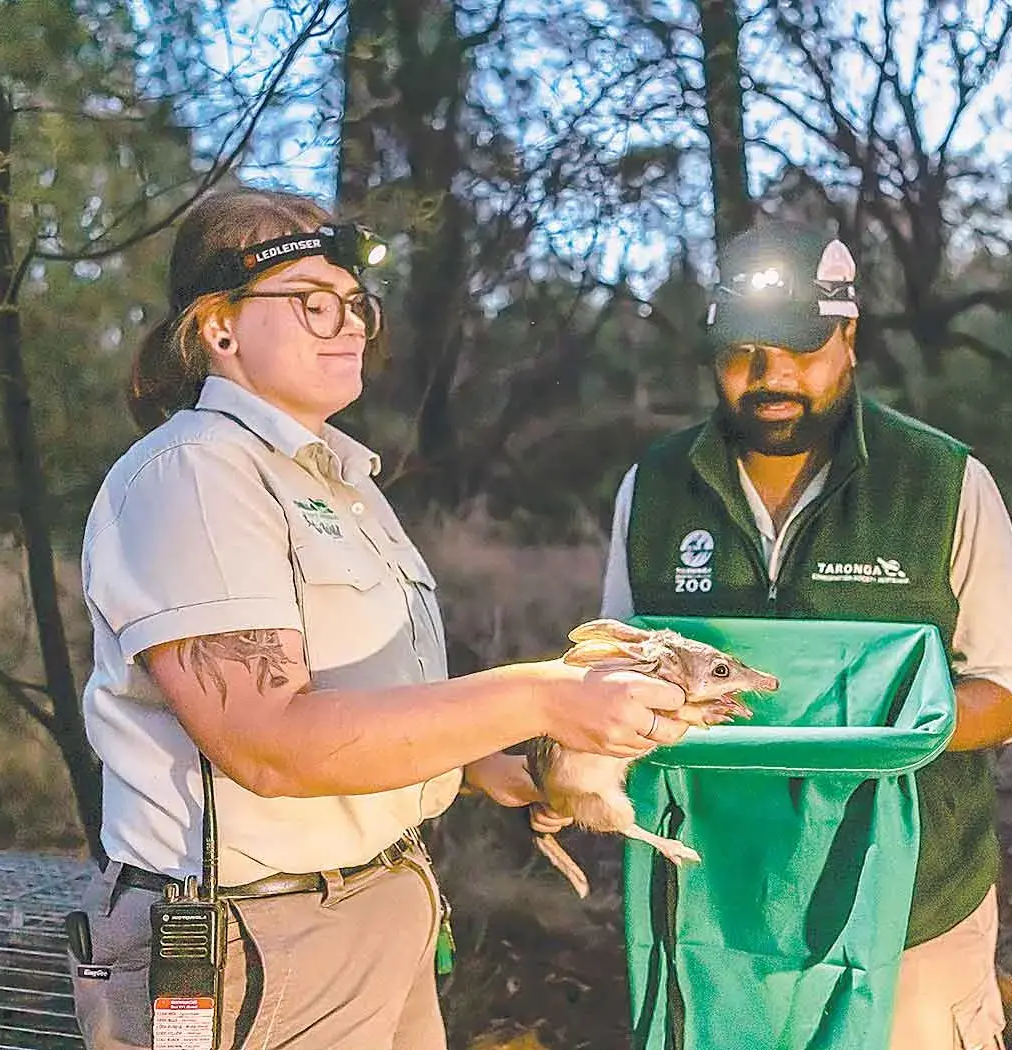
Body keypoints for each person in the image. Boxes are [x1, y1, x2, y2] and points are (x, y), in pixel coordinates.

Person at [69, 187, 690, 1050]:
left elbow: (355, 689)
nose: (350, 323)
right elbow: (269, 742)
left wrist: (476, 760)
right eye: (312, 303)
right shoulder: (194, 476)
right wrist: (541, 696)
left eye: (356, 304)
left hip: (380, 905)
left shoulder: (334, 478)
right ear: (218, 328)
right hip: (256, 941)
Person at [572, 220, 1012, 1049]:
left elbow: (1011, 690)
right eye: (743, 352)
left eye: (799, 348)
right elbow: (608, 664)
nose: (770, 377)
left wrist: (880, 740)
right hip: (714, 901)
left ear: (849, 337)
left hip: (911, 897)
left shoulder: (940, 481)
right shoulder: (654, 488)